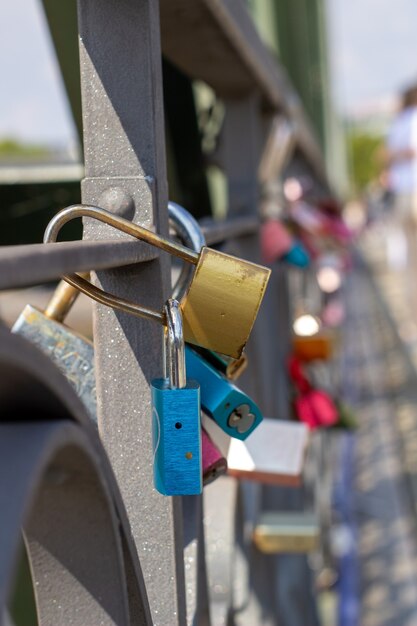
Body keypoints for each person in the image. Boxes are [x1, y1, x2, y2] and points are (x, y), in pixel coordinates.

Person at [385, 85, 417, 309]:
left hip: (404, 193)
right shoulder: (412, 119)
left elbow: (386, 155)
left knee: (411, 258)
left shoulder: (399, 122)